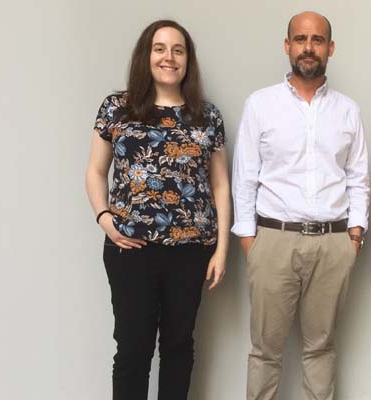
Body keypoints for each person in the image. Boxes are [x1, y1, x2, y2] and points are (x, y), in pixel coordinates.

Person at [84, 20, 230, 400]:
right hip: (130, 249)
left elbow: (220, 185)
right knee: (133, 348)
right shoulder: (118, 107)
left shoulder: (206, 116)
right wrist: (104, 217)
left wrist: (222, 249)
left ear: (187, 60)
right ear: (146, 56)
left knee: (179, 346)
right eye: (160, 48)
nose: (169, 57)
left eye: (178, 50)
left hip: (191, 250)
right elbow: (96, 171)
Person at [231, 11, 369, 400]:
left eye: (318, 39)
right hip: (273, 240)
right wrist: (249, 241)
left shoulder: (348, 111)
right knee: (265, 351)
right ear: (287, 45)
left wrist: (354, 235)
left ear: (331, 48)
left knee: (321, 348)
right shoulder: (260, 105)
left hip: (333, 242)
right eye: (301, 39)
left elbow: (357, 177)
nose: (309, 47)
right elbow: (245, 177)